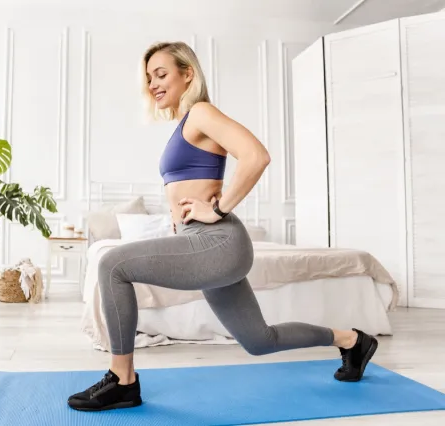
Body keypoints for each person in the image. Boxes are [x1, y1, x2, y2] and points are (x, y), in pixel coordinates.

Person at [67, 41, 378, 412]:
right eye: (149, 77)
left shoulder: (200, 112)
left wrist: (218, 208)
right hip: (204, 244)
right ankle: (352, 341)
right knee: (259, 340)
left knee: (111, 264)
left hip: (217, 241)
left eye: (162, 74)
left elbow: (256, 156)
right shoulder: (186, 123)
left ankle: (123, 380)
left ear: (188, 74)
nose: (153, 84)